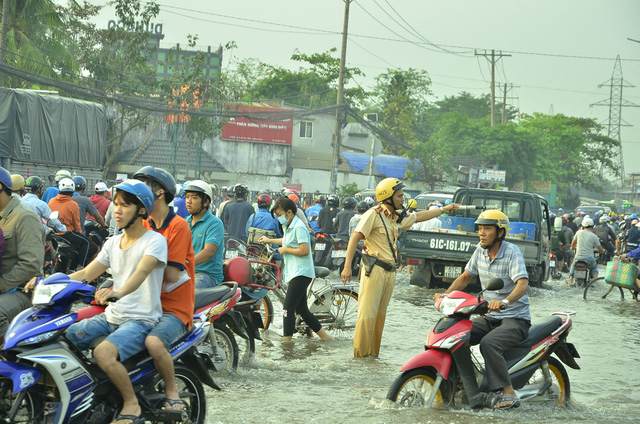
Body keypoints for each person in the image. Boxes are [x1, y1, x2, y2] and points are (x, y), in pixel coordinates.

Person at [59, 179, 167, 424]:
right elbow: (87, 273)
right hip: (112, 316)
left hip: (141, 319)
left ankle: (131, 403)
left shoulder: (154, 241)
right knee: (64, 338)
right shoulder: (112, 242)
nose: (116, 210)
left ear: (141, 210)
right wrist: (50, 282)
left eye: (124, 205)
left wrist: (117, 292)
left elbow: (141, 272)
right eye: (116, 204)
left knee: (104, 353)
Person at [340, 178, 460, 358]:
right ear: (387, 197)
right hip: (374, 270)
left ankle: (372, 359)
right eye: (400, 196)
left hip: (390, 272)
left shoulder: (396, 217)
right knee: (367, 317)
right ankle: (359, 360)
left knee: (380, 318)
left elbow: (418, 216)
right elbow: (355, 237)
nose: (403, 199)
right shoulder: (373, 214)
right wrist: (347, 267)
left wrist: (443, 210)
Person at [432, 210, 531, 410]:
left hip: (515, 318)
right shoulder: (480, 251)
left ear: (500, 233)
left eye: (487, 229)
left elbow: (523, 284)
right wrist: (445, 295)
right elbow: (466, 277)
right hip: (489, 316)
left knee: (489, 343)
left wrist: (505, 301)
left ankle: (508, 392)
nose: (482, 233)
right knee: (456, 335)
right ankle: (465, 386)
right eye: (480, 229)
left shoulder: (512, 252)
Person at [132, 166, 196, 413]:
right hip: (144, 300)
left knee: (155, 343)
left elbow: (170, 274)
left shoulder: (178, 226)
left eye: (143, 186)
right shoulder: (143, 222)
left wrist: (137, 272)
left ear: (159, 192)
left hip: (174, 308)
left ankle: (172, 390)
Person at [258, 196, 334, 341]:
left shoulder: (299, 227)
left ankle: (287, 340)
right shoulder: (289, 226)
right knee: (302, 310)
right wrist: (269, 241)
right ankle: (326, 338)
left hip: (302, 272)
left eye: (280, 215)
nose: (279, 218)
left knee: (288, 307)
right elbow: (286, 240)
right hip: (294, 271)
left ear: (289, 213)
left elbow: (304, 250)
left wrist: (285, 250)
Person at [0, 167, 45, 337]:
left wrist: (1, 285)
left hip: (21, 290)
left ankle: (9, 355)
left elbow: (31, 264)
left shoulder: (24, 217)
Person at [184, 180, 225, 288]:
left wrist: (185, 264)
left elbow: (209, 251)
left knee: (187, 294)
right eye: (187, 197)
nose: (189, 201)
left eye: (194, 197)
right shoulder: (185, 222)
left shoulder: (214, 223)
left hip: (207, 276)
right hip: (186, 272)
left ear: (206, 202)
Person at [48, 178, 92, 269]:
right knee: (86, 242)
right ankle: (80, 267)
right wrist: (79, 231)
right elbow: (76, 223)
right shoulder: (73, 204)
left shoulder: (52, 201)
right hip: (65, 233)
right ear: (72, 191)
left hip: (51, 233)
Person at [567, 217, 606, 285]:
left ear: (583, 226)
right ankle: (594, 281)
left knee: (573, 265)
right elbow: (600, 248)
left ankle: (570, 278)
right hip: (589, 258)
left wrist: (572, 247)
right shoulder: (594, 236)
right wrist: (603, 250)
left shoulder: (578, 233)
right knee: (594, 268)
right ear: (592, 226)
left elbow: (573, 242)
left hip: (578, 257)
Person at [245, 193, 282, 260]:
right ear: (269, 205)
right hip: (269, 251)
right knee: (284, 256)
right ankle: (281, 271)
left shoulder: (252, 217)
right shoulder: (274, 218)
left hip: (253, 250)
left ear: (258, 205)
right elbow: (280, 234)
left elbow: (247, 233)